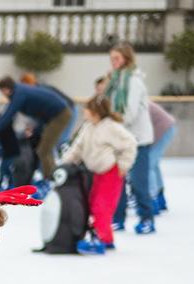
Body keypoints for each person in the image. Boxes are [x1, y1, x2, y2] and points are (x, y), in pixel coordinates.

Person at [59, 94, 137, 255]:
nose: (84, 111)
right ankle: (101, 237)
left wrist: (124, 165)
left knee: (101, 207)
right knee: (92, 204)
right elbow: (77, 148)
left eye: (87, 108)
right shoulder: (88, 126)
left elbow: (130, 143)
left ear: (96, 111)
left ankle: (104, 240)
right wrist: (65, 164)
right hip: (94, 174)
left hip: (111, 173)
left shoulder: (111, 127)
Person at [104, 42, 156, 234]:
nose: (113, 62)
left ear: (126, 58)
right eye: (111, 59)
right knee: (117, 181)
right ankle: (118, 218)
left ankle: (147, 219)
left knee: (138, 182)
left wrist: (113, 126)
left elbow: (130, 112)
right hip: (120, 140)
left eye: (117, 58)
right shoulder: (116, 80)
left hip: (138, 139)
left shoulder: (133, 81)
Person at [0, 75, 72, 194]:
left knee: (44, 149)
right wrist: (35, 130)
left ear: (6, 89)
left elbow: (8, 116)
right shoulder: (20, 91)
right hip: (52, 116)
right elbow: (41, 112)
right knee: (42, 148)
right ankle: (50, 178)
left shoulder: (19, 94)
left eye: (2, 92)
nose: (3, 95)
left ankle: (51, 181)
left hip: (60, 115)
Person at [147, 100, 176, 212]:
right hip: (166, 128)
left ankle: (153, 200)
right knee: (153, 165)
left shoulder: (133, 100)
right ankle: (160, 199)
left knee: (148, 165)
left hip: (163, 129)